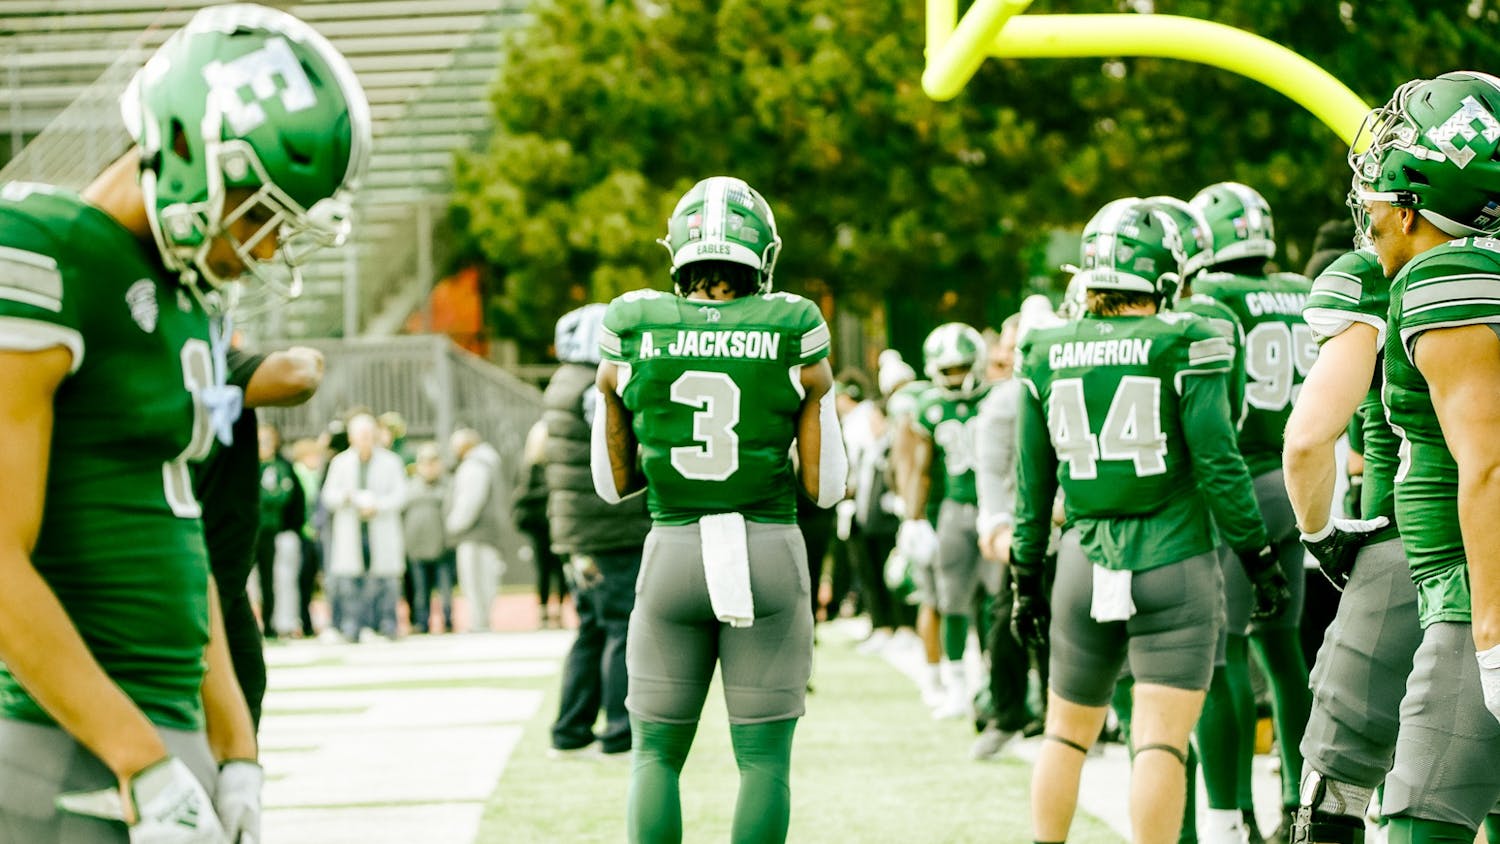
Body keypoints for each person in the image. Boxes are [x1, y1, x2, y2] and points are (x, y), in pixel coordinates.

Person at [0, 3, 368, 840]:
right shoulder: (39, 252)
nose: (268, 249)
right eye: (260, 216)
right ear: (186, 152)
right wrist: (139, 760)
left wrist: (236, 750)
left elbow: (179, 526)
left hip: (165, 739)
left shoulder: (182, 297)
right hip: (68, 749)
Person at [1010, 197, 1286, 844]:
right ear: (1165, 275)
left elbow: (1032, 485)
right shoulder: (1185, 340)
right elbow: (1221, 465)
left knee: (1064, 735)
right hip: (1175, 559)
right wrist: (1258, 556)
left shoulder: (1044, 347)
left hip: (1081, 561)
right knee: (1160, 744)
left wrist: (1025, 573)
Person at [593, 175, 846, 844]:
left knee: (654, 755)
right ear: (762, 253)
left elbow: (609, 481)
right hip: (766, 545)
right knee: (764, 761)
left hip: (673, 547)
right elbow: (827, 487)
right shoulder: (793, 322)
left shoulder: (632, 321)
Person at [1351, 70, 1500, 844]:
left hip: (1477, 592)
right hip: (1468, 582)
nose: (1371, 195)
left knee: (1420, 820)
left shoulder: (1449, 277)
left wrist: (1490, 632)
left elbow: (1490, 464)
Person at [1281, 236, 1418, 843]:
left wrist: (1320, 535)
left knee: (1336, 792)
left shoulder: (1372, 276)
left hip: (1409, 543)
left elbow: (1308, 441)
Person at [1190, 181, 1316, 837]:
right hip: (1300, 482)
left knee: (1223, 651)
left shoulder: (1212, 298)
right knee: (1283, 645)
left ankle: (1230, 810)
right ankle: (1300, 806)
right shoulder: (1301, 288)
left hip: (1240, 485)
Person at [544, 302, 652, 757]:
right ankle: (619, 728)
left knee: (591, 628)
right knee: (620, 628)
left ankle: (571, 729)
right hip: (610, 529)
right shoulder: (592, 387)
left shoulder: (563, 383)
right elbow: (618, 447)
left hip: (579, 533)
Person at [197, 347, 323, 732]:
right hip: (194, 577)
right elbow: (300, 372)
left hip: (218, 578)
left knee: (240, 710)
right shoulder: (196, 350)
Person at [898, 322, 994, 720]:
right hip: (955, 508)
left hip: (995, 506)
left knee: (996, 601)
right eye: (948, 368)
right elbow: (921, 469)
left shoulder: (998, 397)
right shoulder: (927, 406)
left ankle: (993, 681)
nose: (956, 376)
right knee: (952, 601)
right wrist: (915, 518)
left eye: (962, 367)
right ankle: (957, 686)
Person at [322, 413, 408, 641]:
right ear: (352, 437)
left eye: (369, 435)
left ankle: (387, 626)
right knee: (351, 583)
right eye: (361, 435)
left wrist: (377, 506)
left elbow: (400, 495)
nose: (365, 440)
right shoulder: (340, 463)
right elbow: (328, 496)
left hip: (380, 527)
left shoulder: (391, 462)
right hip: (352, 529)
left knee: (385, 581)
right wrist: (347, 498)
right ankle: (353, 628)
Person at [447, 428, 519, 633]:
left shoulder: (474, 466)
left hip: (475, 533)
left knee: (474, 580)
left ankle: (479, 622)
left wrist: (454, 524)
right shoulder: (490, 462)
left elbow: (469, 501)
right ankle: (482, 621)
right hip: (489, 532)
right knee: (485, 580)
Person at [254, 422, 306, 639]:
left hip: (272, 532)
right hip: (250, 531)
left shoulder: (281, 467)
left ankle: (272, 623)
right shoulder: (250, 467)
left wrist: (264, 498)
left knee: (272, 580)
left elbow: (282, 496)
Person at [516, 420, 568, 629]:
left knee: (561, 569)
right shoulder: (530, 470)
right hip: (541, 527)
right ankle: (545, 609)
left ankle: (560, 609)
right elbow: (522, 497)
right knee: (544, 568)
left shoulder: (556, 466)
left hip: (558, 525)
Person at [405, 442, 455, 634]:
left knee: (445, 589)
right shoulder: (410, 487)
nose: (429, 467)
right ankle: (421, 622)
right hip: (416, 547)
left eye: (433, 462)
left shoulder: (448, 486)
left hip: (441, 546)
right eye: (425, 462)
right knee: (420, 591)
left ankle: (448, 620)